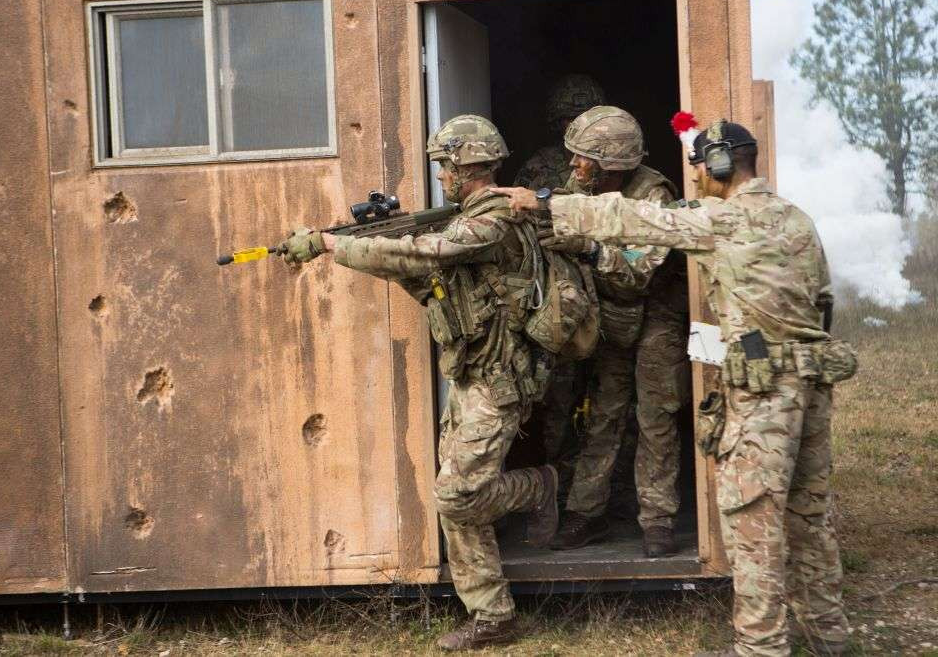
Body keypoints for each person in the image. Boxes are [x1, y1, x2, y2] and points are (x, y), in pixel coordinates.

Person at [494, 115, 855, 657]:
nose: (697, 178)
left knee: (751, 524)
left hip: (764, 398)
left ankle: (761, 647)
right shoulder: (797, 219)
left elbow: (633, 219)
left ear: (719, 165)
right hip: (812, 387)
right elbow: (822, 302)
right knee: (809, 515)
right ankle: (830, 635)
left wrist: (545, 204)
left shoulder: (723, 220)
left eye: (700, 168)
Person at [282, 114, 559, 652]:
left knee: (457, 495)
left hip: (501, 377)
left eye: (443, 166)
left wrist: (333, 246)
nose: (439, 177)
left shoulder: (493, 219)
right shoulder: (467, 214)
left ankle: (539, 487)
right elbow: (419, 269)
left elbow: (427, 252)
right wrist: (365, 242)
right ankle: (493, 616)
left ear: (465, 165)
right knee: (452, 493)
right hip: (471, 371)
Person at [538, 106, 689, 558]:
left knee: (656, 416)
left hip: (657, 314)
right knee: (603, 413)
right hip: (612, 315)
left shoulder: (654, 195)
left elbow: (637, 274)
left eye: (582, 157)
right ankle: (587, 513)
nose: (573, 165)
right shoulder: (577, 190)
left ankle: (658, 519)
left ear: (609, 163)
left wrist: (586, 247)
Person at [514, 74, 607, 506]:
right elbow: (519, 226)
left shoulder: (612, 166)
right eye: (569, 118)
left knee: (609, 407)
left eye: (582, 117)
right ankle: (556, 487)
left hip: (611, 296)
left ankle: (598, 497)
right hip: (560, 298)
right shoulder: (541, 167)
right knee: (556, 401)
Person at [513, 74, 607, 191]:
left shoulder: (615, 164)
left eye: (588, 118)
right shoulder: (539, 167)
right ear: (558, 123)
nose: (582, 126)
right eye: (572, 118)